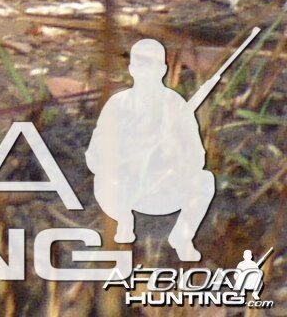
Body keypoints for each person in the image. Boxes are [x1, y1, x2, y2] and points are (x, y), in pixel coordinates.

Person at [88, 37, 218, 259]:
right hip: (123, 189)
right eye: (141, 63)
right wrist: (123, 161)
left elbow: (197, 156)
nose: (146, 70)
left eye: (153, 64)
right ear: (131, 68)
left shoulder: (176, 105)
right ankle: (123, 224)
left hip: (164, 188)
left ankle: (182, 237)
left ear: (162, 69)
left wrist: (173, 152)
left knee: (205, 181)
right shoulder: (118, 105)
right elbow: (94, 155)